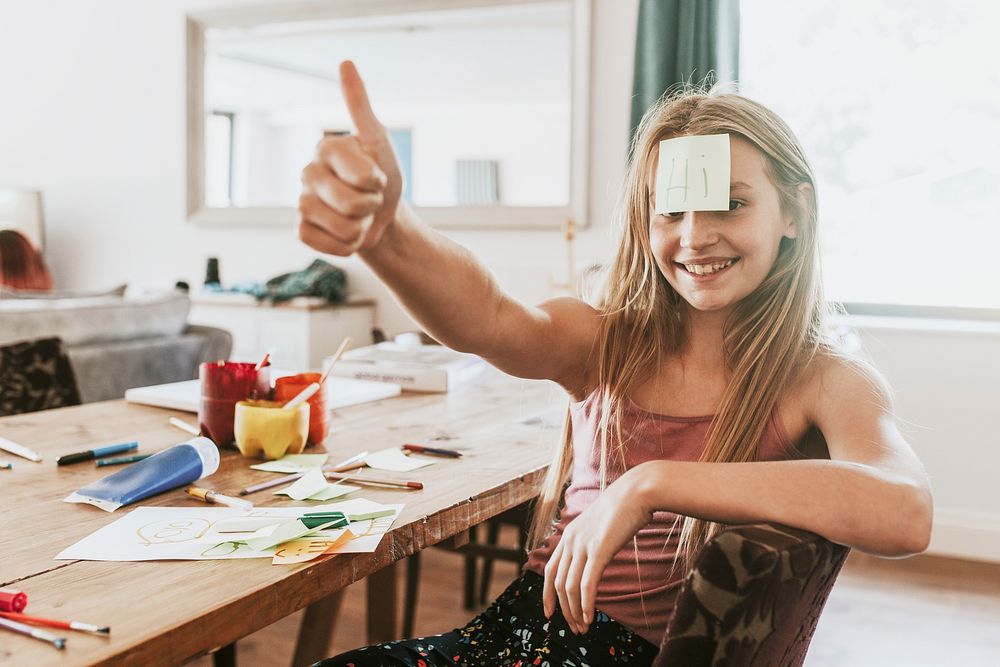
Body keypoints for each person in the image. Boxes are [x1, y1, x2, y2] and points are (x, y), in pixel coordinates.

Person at [297, 61, 933, 666]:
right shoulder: (603, 342)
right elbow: (489, 317)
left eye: (730, 204)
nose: (695, 235)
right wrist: (389, 235)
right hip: (519, 634)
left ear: (792, 212)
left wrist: (652, 483)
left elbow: (905, 509)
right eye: (671, 209)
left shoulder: (821, 377)